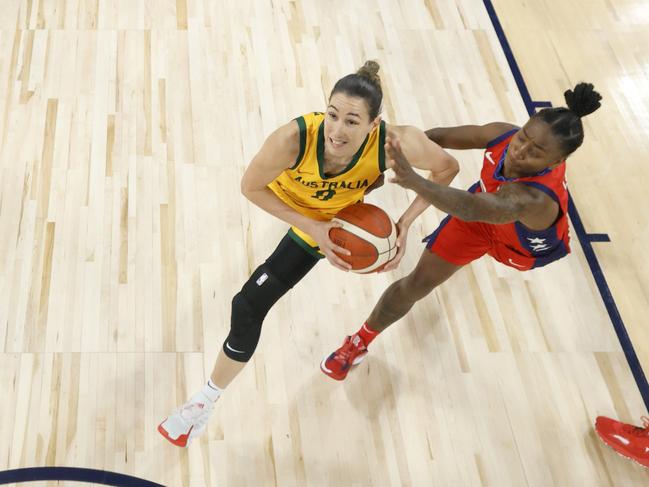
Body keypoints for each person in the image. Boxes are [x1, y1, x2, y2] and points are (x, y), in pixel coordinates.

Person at [158, 61, 460, 447]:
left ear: (374, 124)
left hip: (332, 222)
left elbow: (447, 168)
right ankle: (204, 404)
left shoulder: (395, 141)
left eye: (352, 121)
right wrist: (310, 224)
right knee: (248, 303)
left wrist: (405, 223)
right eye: (332, 114)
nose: (336, 130)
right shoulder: (294, 139)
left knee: (248, 304)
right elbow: (251, 187)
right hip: (298, 212)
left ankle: (202, 403)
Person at [320, 83, 602, 380]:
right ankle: (360, 341)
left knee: (470, 207)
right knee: (417, 282)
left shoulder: (535, 199)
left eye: (536, 151)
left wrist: (413, 179)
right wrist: (389, 154)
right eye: (523, 137)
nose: (520, 150)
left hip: (517, 247)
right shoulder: (503, 135)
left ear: (557, 162)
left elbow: (470, 207)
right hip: (478, 221)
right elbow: (438, 137)